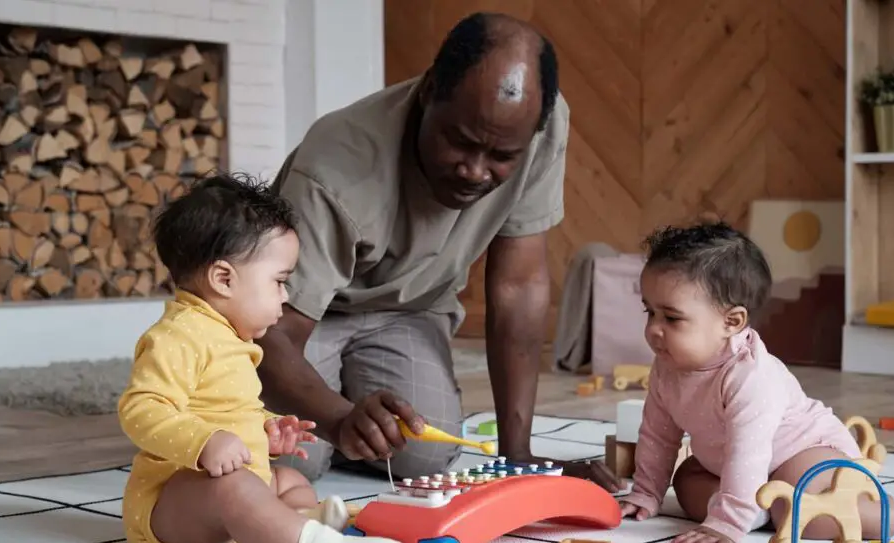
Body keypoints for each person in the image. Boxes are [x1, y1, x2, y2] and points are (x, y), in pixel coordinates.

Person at [254, 11, 626, 492]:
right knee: (293, 460)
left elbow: (518, 286)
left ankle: (351, 395)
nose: (475, 171)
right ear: (429, 90)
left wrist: (517, 458)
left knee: (425, 455)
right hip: (309, 314)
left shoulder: (540, 127)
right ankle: (334, 401)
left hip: (409, 311)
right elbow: (273, 332)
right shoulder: (335, 166)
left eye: (501, 157)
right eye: (460, 141)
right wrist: (340, 417)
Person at [117, 173, 412, 543]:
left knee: (287, 479)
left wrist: (266, 429)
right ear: (224, 279)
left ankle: (298, 522)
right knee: (235, 488)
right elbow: (140, 408)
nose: (286, 296)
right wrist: (204, 442)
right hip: (168, 510)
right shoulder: (178, 335)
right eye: (279, 282)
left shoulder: (230, 338)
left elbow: (228, 409)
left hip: (224, 497)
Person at [619, 220, 894, 543]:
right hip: (732, 464)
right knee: (687, 479)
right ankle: (755, 509)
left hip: (804, 452)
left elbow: (749, 450)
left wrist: (726, 522)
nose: (654, 329)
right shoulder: (668, 366)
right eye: (649, 312)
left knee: (802, 513)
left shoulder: (749, 377)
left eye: (672, 318)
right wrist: (647, 493)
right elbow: (658, 434)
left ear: (732, 321)